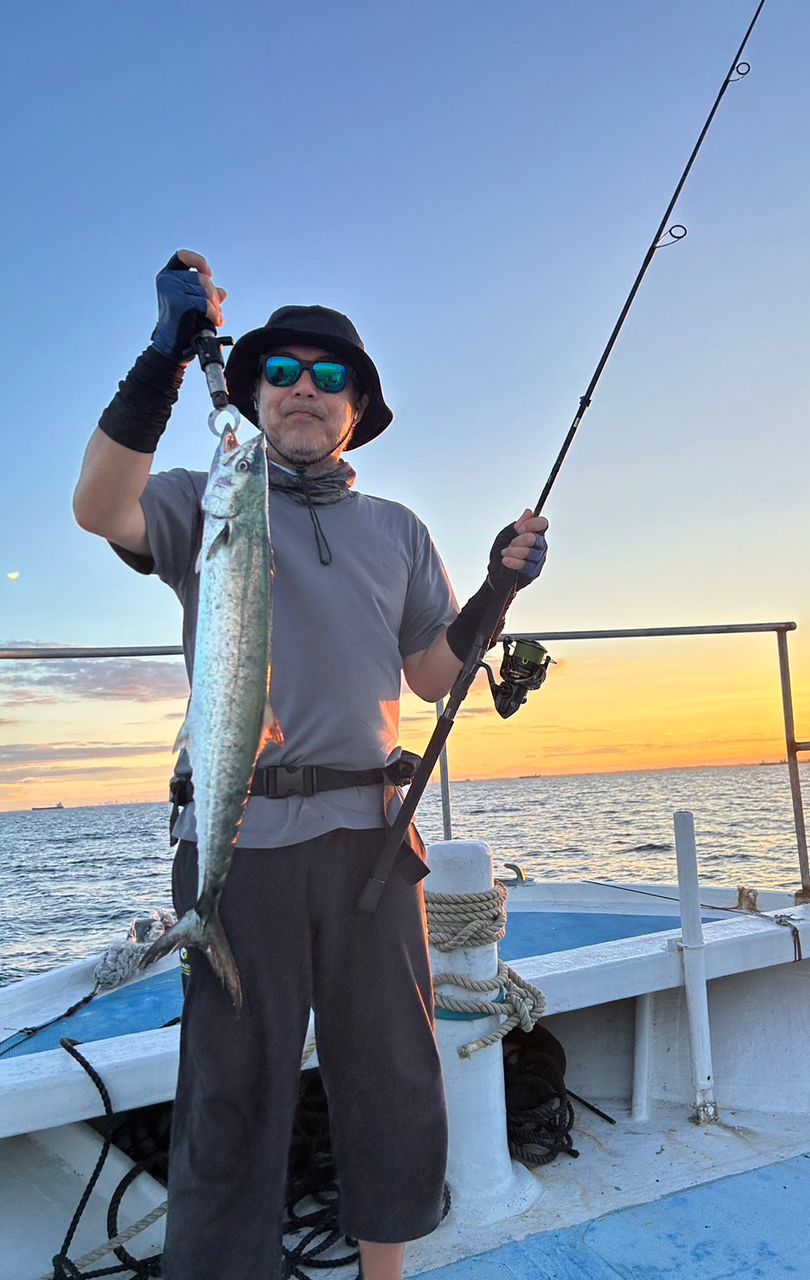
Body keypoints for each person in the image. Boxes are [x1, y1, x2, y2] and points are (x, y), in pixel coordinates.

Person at [73, 250, 549, 1280]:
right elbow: (100, 507)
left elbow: (430, 673)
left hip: (374, 843)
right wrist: (162, 359)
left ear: (356, 411)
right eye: (282, 369)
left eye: (331, 378)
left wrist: (495, 593)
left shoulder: (396, 528)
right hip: (240, 842)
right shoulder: (209, 499)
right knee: (233, 1087)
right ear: (248, 395)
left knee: (391, 1074)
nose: (303, 387)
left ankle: (386, 1272)